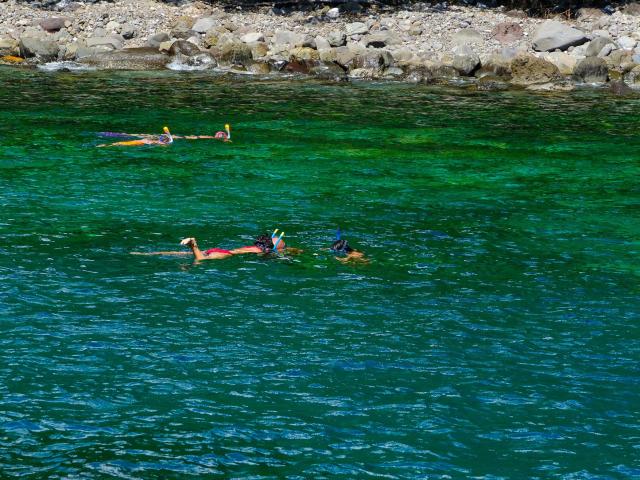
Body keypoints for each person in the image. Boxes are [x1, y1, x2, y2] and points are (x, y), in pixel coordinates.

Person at [98, 127, 173, 147]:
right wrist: (169, 142)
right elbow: (162, 144)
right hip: (136, 143)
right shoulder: (155, 142)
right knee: (119, 144)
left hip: (137, 142)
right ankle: (105, 145)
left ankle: (105, 145)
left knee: (118, 143)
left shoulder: (151, 139)